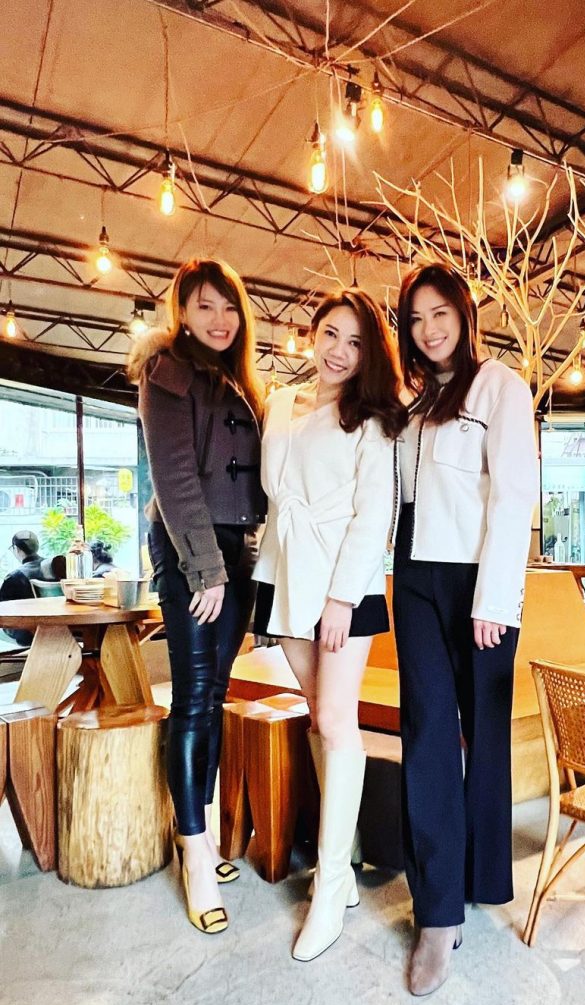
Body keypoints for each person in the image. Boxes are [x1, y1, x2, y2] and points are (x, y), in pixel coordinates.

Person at [393, 262, 539, 995]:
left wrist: (494, 598)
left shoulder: (500, 387)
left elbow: (514, 495)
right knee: (425, 732)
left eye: (439, 313)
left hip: (477, 581)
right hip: (414, 576)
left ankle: (482, 878)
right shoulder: (413, 404)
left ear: (463, 314)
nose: (429, 330)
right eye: (416, 319)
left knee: (485, 736)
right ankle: (437, 913)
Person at [253, 288, 405, 962]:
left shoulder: (372, 418)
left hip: (344, 582)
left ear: (370, 354)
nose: (340, 352)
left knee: (339, 720)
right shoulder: (282, 403)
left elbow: (375, 514)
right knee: (320, 717)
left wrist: (342, 598)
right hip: (285, 572)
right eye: (331, 335)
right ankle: (341, 864)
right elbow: (272, 493)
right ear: (310, 334)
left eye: (355, 342)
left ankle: (331, 881)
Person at [127, 258, 265, 935]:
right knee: (192, 696)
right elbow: (175, 478)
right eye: (204, 305)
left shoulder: (235, 379)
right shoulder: (168, 372)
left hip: (233, 550)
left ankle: (202, 833)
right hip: (191, 552)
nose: (219, 318)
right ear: (180, 311)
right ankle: (193, 854)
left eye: (229, 306)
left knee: (214, 695)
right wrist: (205, 569)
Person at [0, 530, 45, 646]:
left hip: (27, 634)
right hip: (60, 629)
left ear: (17, 549)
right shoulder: (55, 567)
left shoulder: (14, 577)